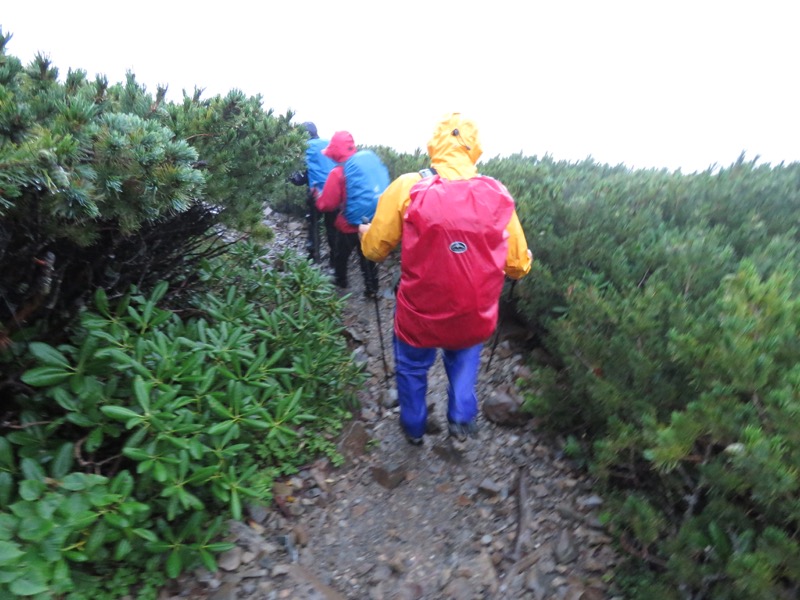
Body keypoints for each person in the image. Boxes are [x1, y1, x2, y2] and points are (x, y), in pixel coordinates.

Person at [358, 112, 533, 445]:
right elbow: (517, 266)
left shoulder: (407, 186)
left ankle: (413, 427)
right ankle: (461, 418)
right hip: (473, 313)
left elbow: (375, 251)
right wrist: (526, 261)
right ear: (474, 148)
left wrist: (365, 233)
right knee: (464, 360)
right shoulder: (497, 194)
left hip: (419, 313)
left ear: (436, 143)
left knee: (411, 368)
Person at [316, 130, 380, 297]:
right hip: (368, 221)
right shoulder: (365, 166)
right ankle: (372, 287)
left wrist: (317, 197)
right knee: (366, 255)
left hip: (348, 224)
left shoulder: (337, 173)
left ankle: (340, 279)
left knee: (341, 254)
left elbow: (327, 204)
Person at [288, 122, 337, 265]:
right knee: (332, 228)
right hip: (335, 194)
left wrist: (291, 176)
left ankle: (314, 259)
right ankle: (335, 261)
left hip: (316, 195)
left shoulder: (306, 148)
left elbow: (300, 179)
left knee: (314, 225)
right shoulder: (329, 144)